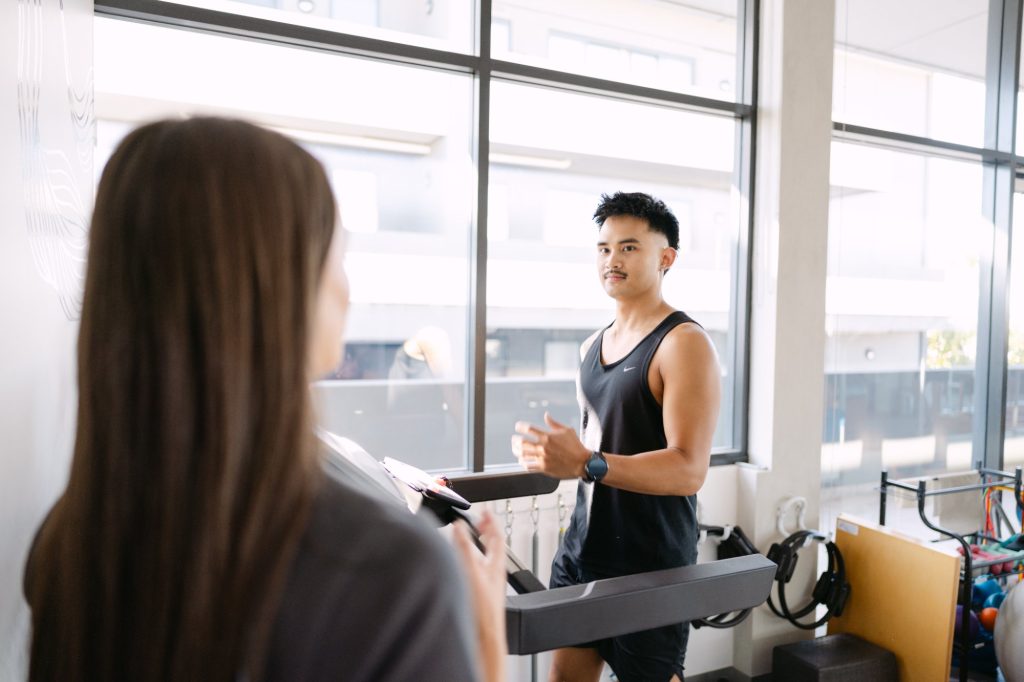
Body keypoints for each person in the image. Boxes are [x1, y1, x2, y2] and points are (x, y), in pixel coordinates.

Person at [23, 117, 507, 682]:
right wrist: (486, 642)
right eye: (336, 255)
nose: (348, 289)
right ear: (273, 285)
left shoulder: (69, 541)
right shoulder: (391, 575)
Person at [512, 191, 721, 682]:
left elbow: (689, 469)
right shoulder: (591, 344)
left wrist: (589, 463)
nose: (612, 259)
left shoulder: (684, 343)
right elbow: (600, 442)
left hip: (650, 563)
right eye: (604, 248)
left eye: (629, 247)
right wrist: (554, 455)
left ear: (665, 257)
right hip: (584, 549)